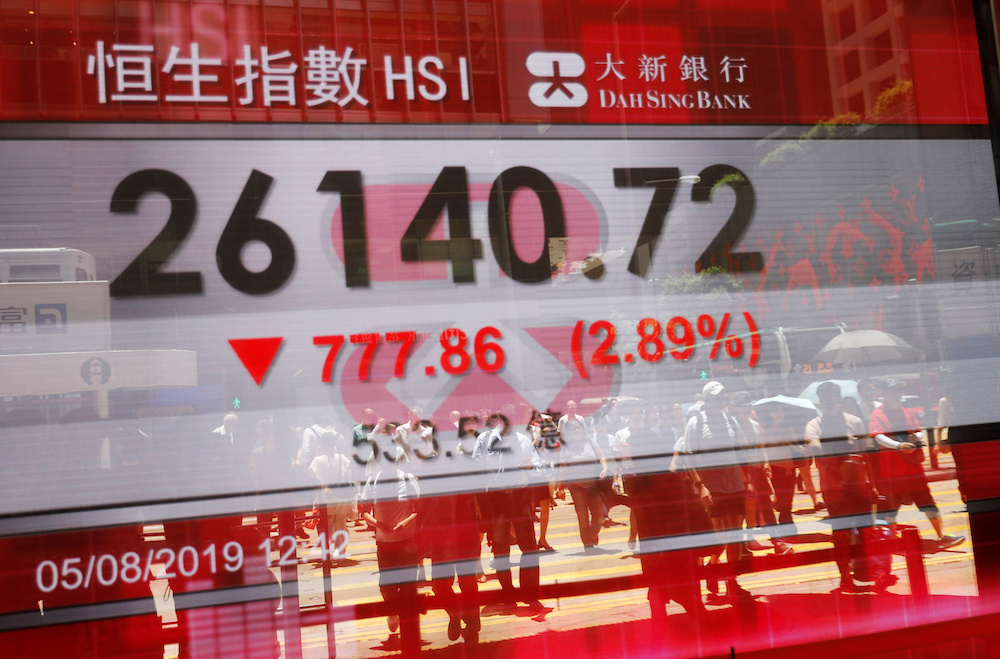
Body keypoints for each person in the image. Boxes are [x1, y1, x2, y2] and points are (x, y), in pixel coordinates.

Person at [678, 381, 754, 601]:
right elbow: (689, 457)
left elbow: (742, 452)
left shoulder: (730, 420)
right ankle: (713, 566)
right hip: (711, 488)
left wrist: (748, 480)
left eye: (722, 397)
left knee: (735, 536)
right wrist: (700, 485)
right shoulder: (696, 422)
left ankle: (731, 582)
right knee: (719, 537)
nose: (720, 401)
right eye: (715, 398)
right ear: (707, 399)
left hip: (734, 484)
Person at [869, 379, 964, 550]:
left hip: (913, 468)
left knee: (927, 501)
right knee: (890, 507)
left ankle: (942, 535)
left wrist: (915, 438)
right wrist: (898, 445)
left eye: (900, 391)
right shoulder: (877, 414)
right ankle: (891, 540)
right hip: (892, 470)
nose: (898, 394)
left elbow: (918, 430)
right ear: (884, 393)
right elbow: (878, 436)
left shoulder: (906, 411)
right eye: (894, 391)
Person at [805, 381, 879, 592]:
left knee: (865, 531)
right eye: (825, 398)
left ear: (838, 399)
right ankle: (845, 576)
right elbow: (814, 445)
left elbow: (866, 456)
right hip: (833, 488)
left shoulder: (855, 421)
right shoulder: (814, 425)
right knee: (840, 534)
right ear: (820, 401)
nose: (829, 401)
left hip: (858, 485)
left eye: (832, 397)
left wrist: (873, 486)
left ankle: (863, 571)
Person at [472, 413, 547, 611]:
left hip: (520, 496)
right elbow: (475, 469)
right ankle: (508, 593)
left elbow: (539, 467)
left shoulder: (523, 441)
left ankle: (530, 594)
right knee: (500, 548)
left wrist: (531, 466)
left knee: (529, 547)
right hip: (496, 499)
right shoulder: (485, 439)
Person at [360, 445, 421, 653]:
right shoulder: (372, 482)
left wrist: (404, 524)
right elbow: (364, 512)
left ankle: (407, 626)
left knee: (408, 585)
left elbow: (419, 510)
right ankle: (392, 611)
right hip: (384, 542)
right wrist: (379, 524)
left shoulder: (408, 479)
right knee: (386, 585)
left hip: (407, 542)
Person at [730, 391, 793, 556]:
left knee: (765, 504)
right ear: (735, 407)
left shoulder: (754, 425)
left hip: (756, 470)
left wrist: (765, 462)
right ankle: (744, 542)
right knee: (744, 507)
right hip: (739, 472)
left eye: (748, 406)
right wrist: (747, 478)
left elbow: (761, 446)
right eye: (742, 407)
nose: (746, 410)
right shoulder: (732, 426)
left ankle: (776, 541)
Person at [560, 417, 608, 549]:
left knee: (599, 513)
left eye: (579, 427)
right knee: (582, 516)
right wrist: (560, 487)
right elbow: (563, 468)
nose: (577, 430)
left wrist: (605, 468)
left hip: (593, 485)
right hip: (576, 487)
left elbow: (601, 456)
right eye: (574, 428)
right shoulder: (566, 447)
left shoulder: (590, 441)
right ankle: (588, 545)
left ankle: (593, 532)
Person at [308, 433, 358, 552]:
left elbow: (309, 473)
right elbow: (348, 473)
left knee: (329, 525)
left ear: (321, 445)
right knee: (341, 524)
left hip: (325, 496)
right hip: (341, 495)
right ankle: (340, 551)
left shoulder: (318, 460)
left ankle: (331, 551)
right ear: (333, 443)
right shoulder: (341, 457)